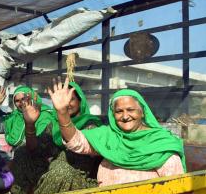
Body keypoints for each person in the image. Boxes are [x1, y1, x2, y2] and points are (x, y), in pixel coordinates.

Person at [48, 77, 186, 187]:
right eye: (119, 111)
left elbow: (175, 190)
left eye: (130, 110)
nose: (125, 116)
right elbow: (76, 142)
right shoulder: (108, 136)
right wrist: (62, 112)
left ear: (142, 112)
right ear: (113, 115)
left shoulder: (161, 143)